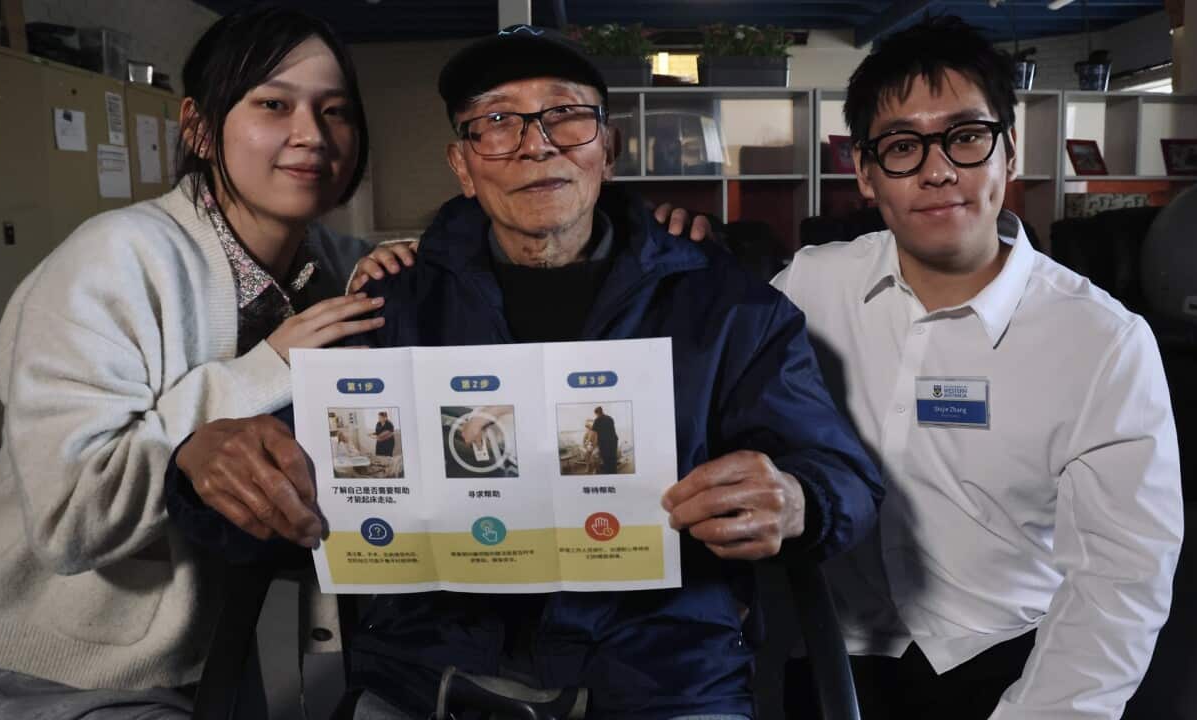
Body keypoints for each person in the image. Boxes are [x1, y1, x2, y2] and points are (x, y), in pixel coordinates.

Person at [167, 24, 883, 720]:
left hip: (663, 684)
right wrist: (205, 470)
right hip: (428, 683)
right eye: (499, 122)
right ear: (463, 166)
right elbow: (261, 496)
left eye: (566, 117)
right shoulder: (389, 310)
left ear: (609, 147)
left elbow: (840, 475)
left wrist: (796, 498)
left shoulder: (727, 308)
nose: (536, 145)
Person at [0, 8, 381, 719]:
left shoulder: (335, 267)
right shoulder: (115, 257)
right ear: (199, 127)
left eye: (335, 111)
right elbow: (70, 517)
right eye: (273, 104)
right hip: (54, 660)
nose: (312, 135)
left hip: (222, 656)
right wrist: (266, 367)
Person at [770, 16, 1182, 720]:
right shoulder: (812, 287)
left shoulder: (1102, 340)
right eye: (902, 147)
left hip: (1005, 662)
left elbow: (1120, 581)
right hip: (829, 651)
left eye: (965, 137)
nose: (938, 171)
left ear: (1009, 153)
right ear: (866, 175)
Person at [590, 405, 618, 474]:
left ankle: (608, 474)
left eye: (596, 414)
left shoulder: (597, 420)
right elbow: (612, 430)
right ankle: (614, 473)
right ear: (602, 411)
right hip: (614, 441)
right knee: (613, 459)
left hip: (604, 443)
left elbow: (593, 433)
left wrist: (592, 443)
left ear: (596, 413)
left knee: (606, 460)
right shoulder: (610, 418)